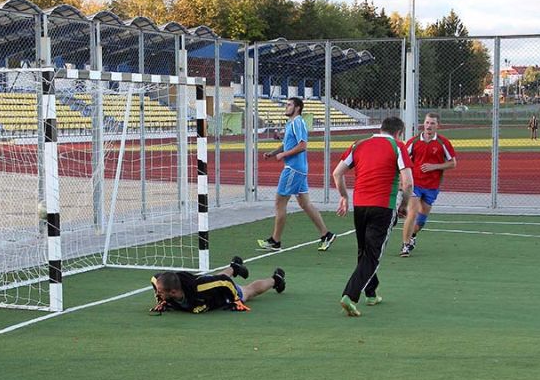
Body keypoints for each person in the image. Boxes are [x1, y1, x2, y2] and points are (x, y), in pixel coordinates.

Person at [332, 116, 413, 317]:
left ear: (381, 129)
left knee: (364, 251)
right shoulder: (398, 146)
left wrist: (344, 196)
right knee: (372, 256)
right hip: (383, 206)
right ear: (398, 133)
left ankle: (371, 293)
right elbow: (408, 182)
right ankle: (350, 296)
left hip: (360, 205)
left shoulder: (358, 144)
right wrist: (404, 205)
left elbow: (337, 173)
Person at [257, 97, 336, 252]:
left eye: (289, 105)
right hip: (297, 169)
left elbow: (302, 146)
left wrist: (283, 155)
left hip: (293, 169)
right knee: (305, 204)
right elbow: (287, 144)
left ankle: (275, 241)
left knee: (280, 203)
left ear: (297, 108)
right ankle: (326, 235)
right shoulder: (290, 123)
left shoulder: (298, 123)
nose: (286, 107)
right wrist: (273, 153)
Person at [398, 113, 457, 257]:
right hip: (415, 184)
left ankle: (412, 235)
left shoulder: (443, 143)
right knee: (412, 212)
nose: (429, 126)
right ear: (423, 124)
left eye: (432, 123)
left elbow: (453, 163)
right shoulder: (413, 141)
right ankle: (405, 245)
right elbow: (401, 160)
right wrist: (402, 180)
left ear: (438, 126)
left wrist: (434, 166)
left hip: (432, 186)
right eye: (427, 122)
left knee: (420, 222)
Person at [149, 256, 286, 314]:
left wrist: (236, 300)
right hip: (207, 282)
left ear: (173, 292)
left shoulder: (198, 289)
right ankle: (235, 267)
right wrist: (161, 301)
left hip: (221, 292)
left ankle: (276, 279)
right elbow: (154, 279)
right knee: (213, 279)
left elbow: (224, 281)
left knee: (248, 291)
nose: (157, 293)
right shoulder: (164, 284)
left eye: (160, 292)